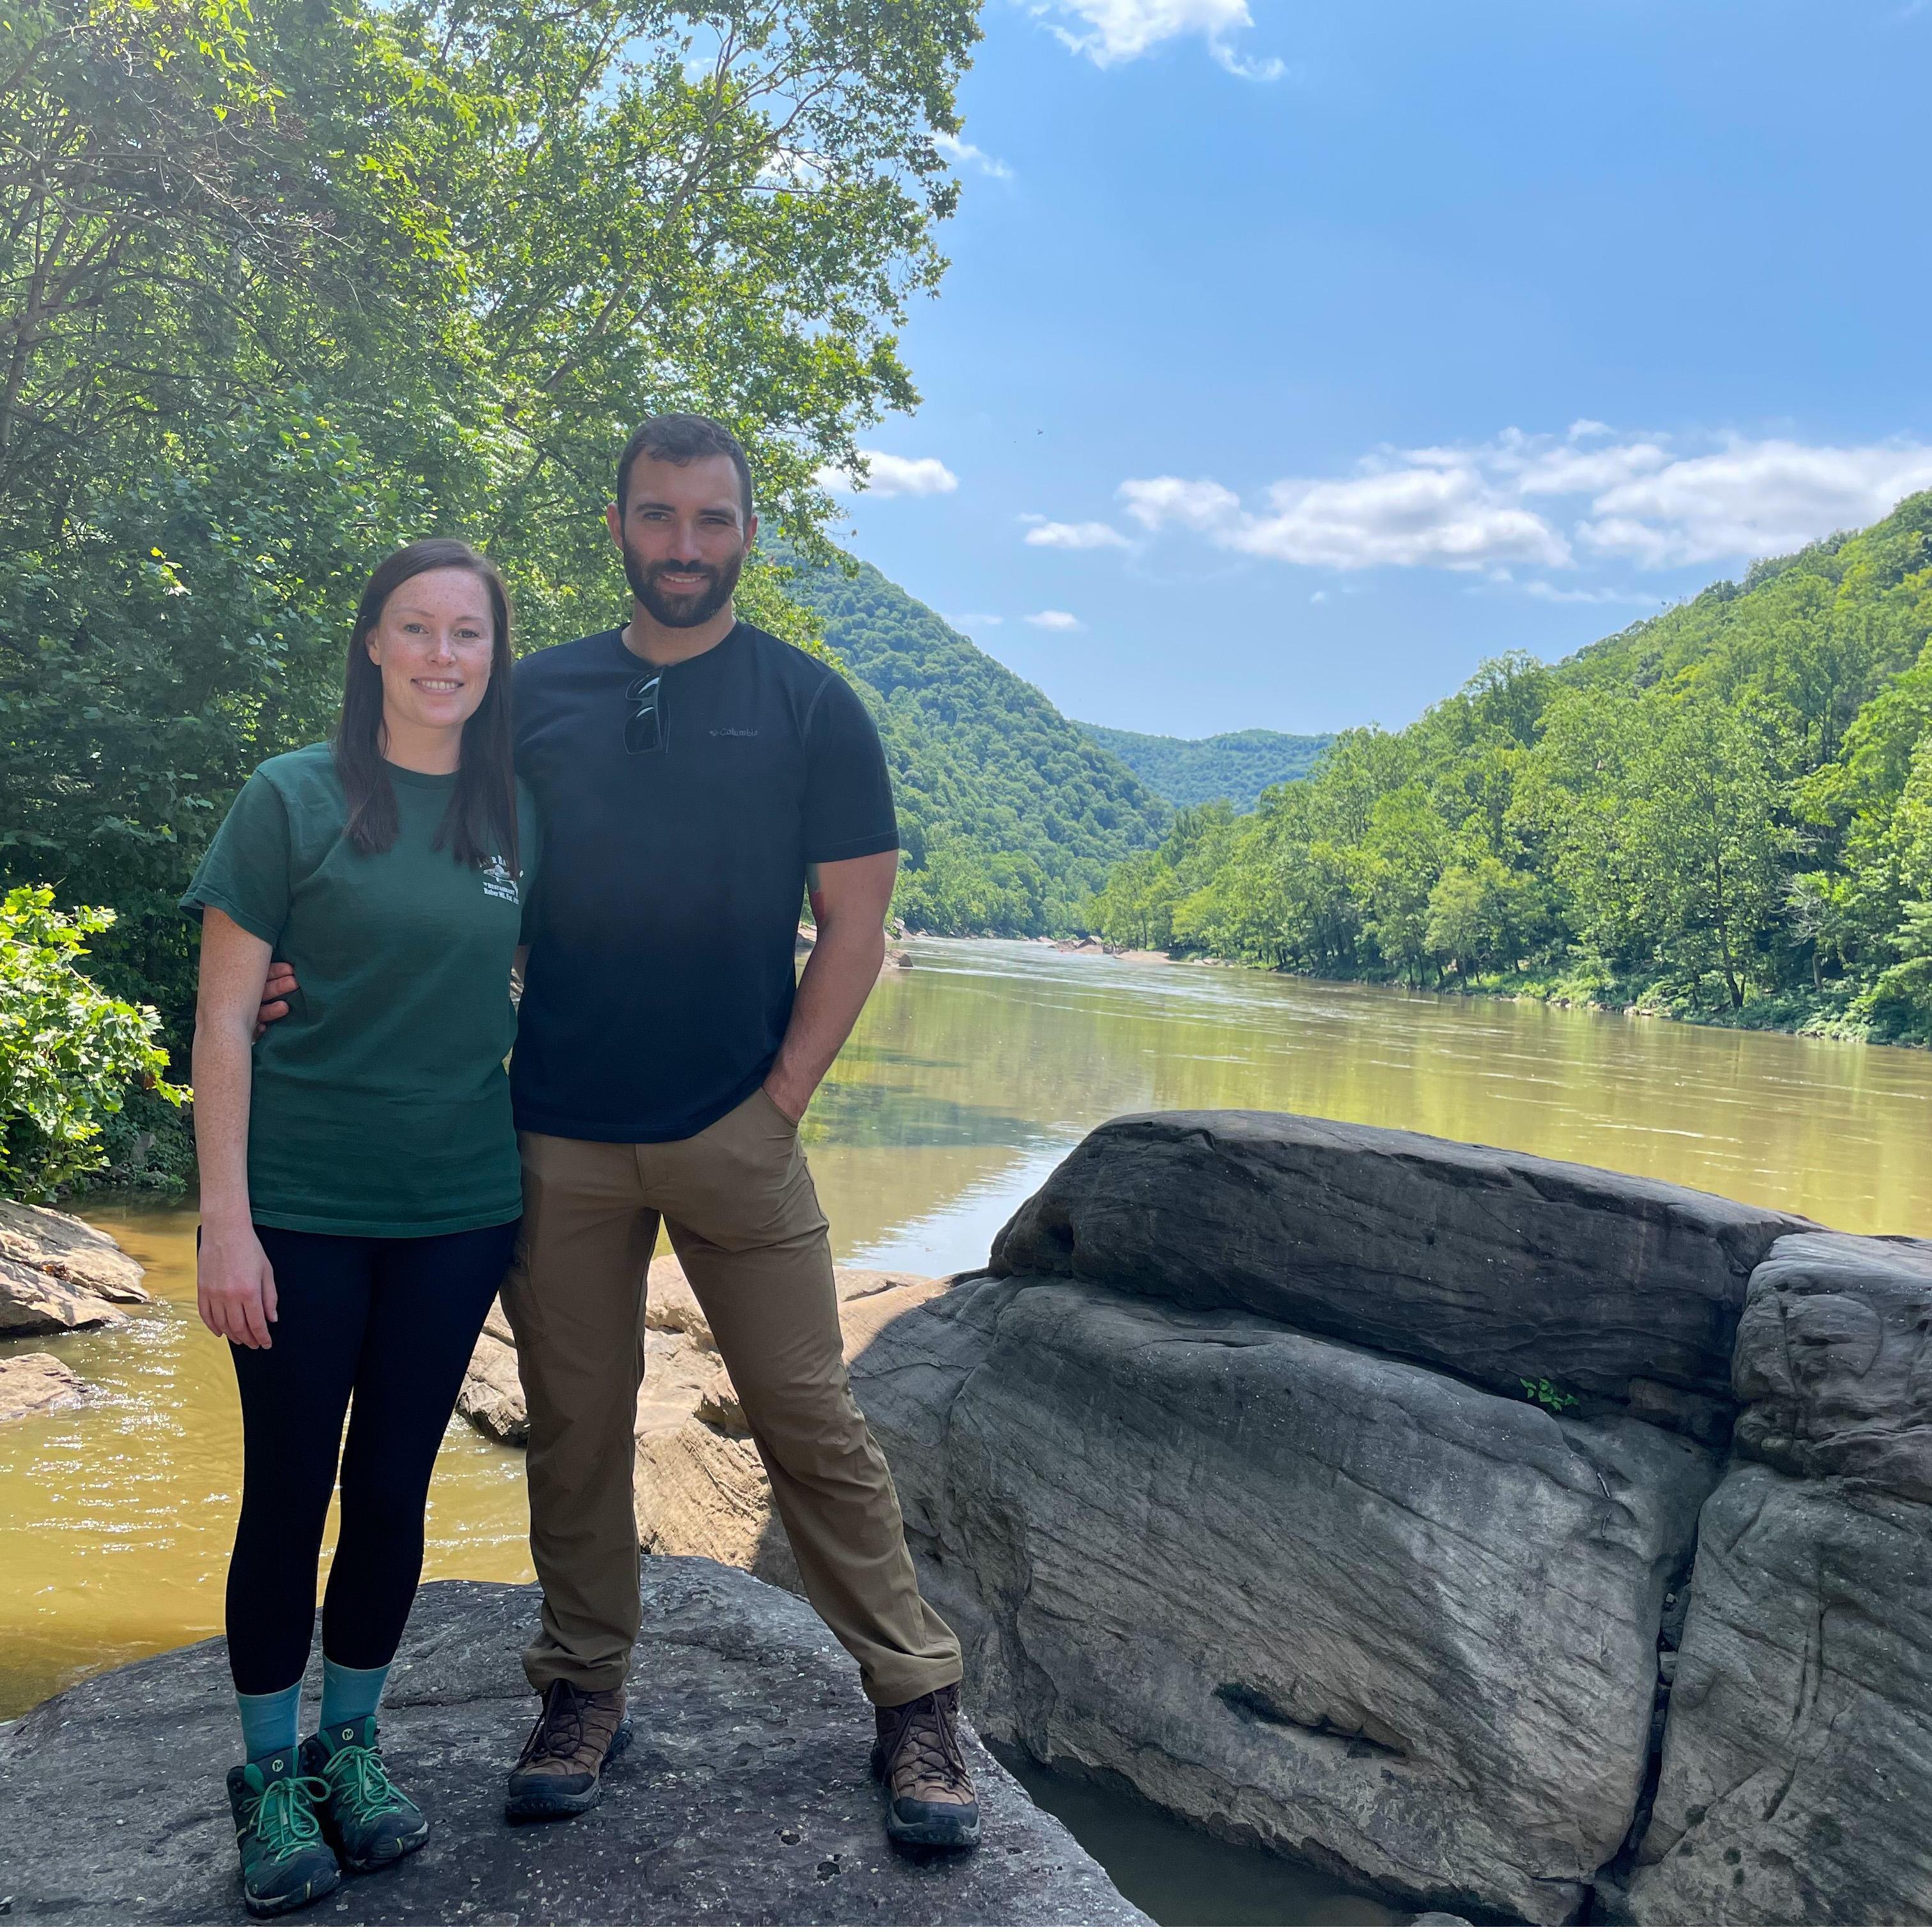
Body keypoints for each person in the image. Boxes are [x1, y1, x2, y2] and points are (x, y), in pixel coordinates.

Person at [259, 415, 979, 1848]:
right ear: (618, 529)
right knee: (578, 1431)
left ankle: (914, 1702)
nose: (685, 550)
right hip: (556, 1136)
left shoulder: (810, 705)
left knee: (807, 1416)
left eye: (712, 523)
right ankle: (585, 1687)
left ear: (747, 535)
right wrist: (300, 959)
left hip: (736, 1126)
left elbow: (855, 921)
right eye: (659, 519)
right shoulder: (539, 697)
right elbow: (407, 827)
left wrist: (778, 1101)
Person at [187, 538, 538, 1917]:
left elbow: (546, 982)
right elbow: (224, 1015)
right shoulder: (291, 798)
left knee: (394, 1490)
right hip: (302, 1207)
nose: (446, 655)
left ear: (492, 657)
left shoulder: (517, 819)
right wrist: (226, 1222)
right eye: (418, 629)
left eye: (470, 634)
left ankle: (353, 1748)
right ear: (375, 647)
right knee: (288, 1487)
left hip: (456, 1210)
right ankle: (268, 1774)